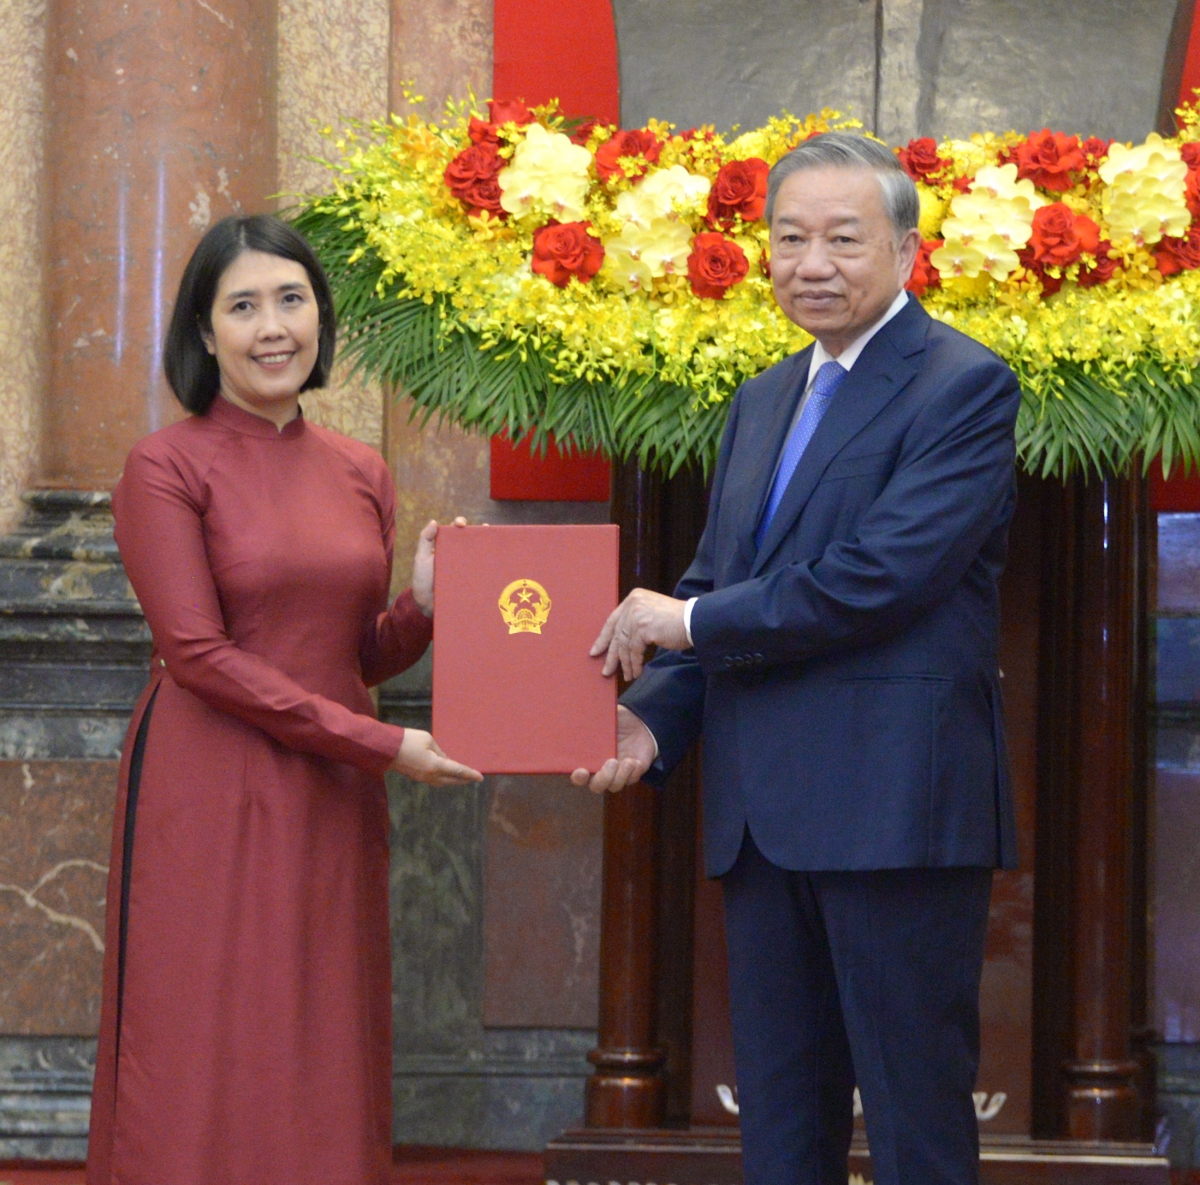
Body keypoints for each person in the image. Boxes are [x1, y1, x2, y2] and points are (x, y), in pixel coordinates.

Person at [572, 133, 1022, 1185]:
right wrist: (656, 717)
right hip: (762, 818)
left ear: (909, 251)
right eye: (788, 237)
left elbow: (881, 576)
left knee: (912, 1117)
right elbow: (710, 575)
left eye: (842, 238)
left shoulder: (963, 387)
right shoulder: (764, 399)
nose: (810, 262)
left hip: (894, 809)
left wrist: (684, 630)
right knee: (780, 1122)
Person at [86, 214, 482, 1185]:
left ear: (320, 319)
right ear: (204, 331)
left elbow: (347, 655)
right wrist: (384, 748)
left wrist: (423, 608)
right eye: (244, 305)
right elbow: (198, 654)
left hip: (330, 785)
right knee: (208, 1028)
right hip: (210, 782)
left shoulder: (360, 470)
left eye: (292, 300)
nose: (274, 327)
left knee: (317, 1024)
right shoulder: (165, 466)